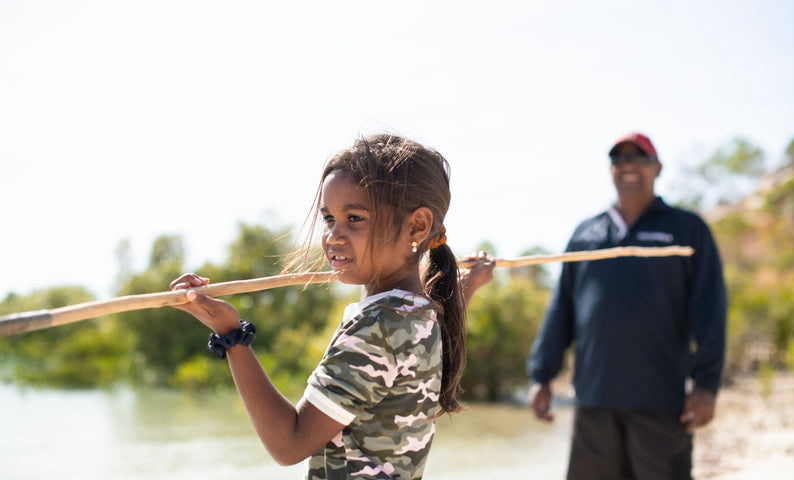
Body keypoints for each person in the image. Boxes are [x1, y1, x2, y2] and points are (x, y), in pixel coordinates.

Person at [169, 134, 493, 480]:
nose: (333, 236)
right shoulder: (422, 315)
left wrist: (231, 336)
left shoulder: (377, 328)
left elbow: (289, 444)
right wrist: (469, 283)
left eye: (354, 218)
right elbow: (446, 308)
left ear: (417, 226)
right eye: (328, 218)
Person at [526, 132, 727, 479]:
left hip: (661, 402)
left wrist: (706, 384)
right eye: (619, 159)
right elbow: (562, 310)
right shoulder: (586, 234)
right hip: (593, 401)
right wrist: (541, 375)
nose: (629, 165)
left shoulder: (687, 229)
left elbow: (711, 310)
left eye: (640, 158)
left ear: (658, 168)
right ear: (611, 170)